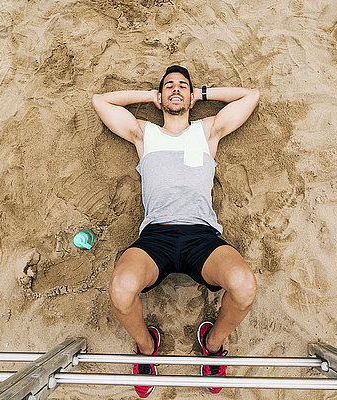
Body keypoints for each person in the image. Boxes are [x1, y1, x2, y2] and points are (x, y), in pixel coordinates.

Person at [91, 65, 259, 397]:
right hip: (156, 236)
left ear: (191, 97)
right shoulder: (144, 134)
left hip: (202, 236)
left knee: (244, 286)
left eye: (183, 86)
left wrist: (204, 94)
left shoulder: (207, 130)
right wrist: (147, 97)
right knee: (121, 290)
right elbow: (101, 102)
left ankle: (211, 344)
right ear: (161, 96)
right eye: (169, 86)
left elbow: (251, 96)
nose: (176, 89)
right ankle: (146, 348)